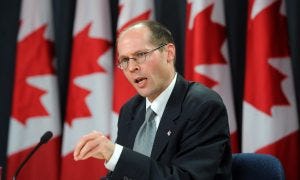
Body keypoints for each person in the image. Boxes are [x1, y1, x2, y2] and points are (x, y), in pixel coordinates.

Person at [73, 20, 232, 180]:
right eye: (125, 60)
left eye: (140, 55)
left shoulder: (202, 106)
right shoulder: (131, 110)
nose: (131, 67)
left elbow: (186, 177)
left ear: (169, 53)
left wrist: (115, 155)